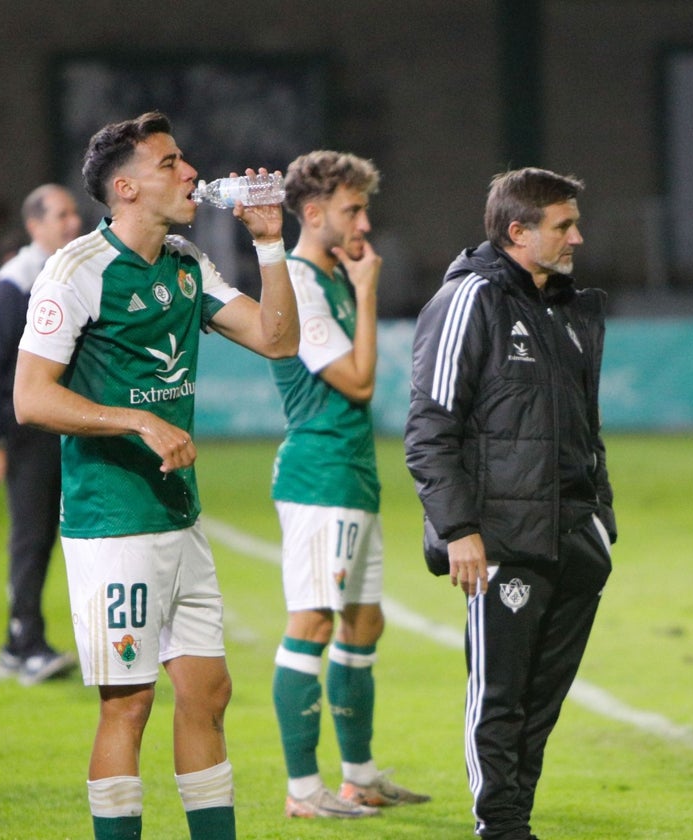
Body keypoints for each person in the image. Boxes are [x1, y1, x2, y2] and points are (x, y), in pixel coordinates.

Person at [13, 111, 298, 840]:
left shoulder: (185, 263)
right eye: (172, 163)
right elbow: (31, 396)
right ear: (128, 186)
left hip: (179, 516)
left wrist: (270, 245)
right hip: (113, 523)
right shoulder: (77, 271)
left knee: (207, 692)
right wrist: (136, 419)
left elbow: (277, 338)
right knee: (128, 705)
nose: (192, 173)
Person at [403, 167, 617, 840]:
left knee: (542, 701)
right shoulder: (470, 300)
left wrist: (601, 521)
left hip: (574, 537)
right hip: (502, 539)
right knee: (500, 698)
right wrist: (460, 527)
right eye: (563, 225)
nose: (577, 237)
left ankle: (517, 821)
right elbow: (429, 427)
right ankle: (500, 826)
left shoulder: (570, 308)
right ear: (518, 232)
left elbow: (587, 425)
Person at [269, 150, 430, 819]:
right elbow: (358, 380)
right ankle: (304, 791)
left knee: (365, 620)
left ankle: (358, 775)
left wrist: (356, 285)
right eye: (352, 208)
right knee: (311, 621)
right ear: (313, 214)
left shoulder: (331, 274)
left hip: (354, 471)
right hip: (321, 474)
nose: (365, 220)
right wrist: (367, 294)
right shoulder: (302, 284)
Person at [0, 184, 82, 686]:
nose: (72, 222)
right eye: (60, 214)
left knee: (47, 536)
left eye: (74, 213)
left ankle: (18, 646)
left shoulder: (66, 271)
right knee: (32, 537)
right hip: (27, 432)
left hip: (58, 426)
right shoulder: (15, 280)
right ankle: (26, 641)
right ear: (34, 225)